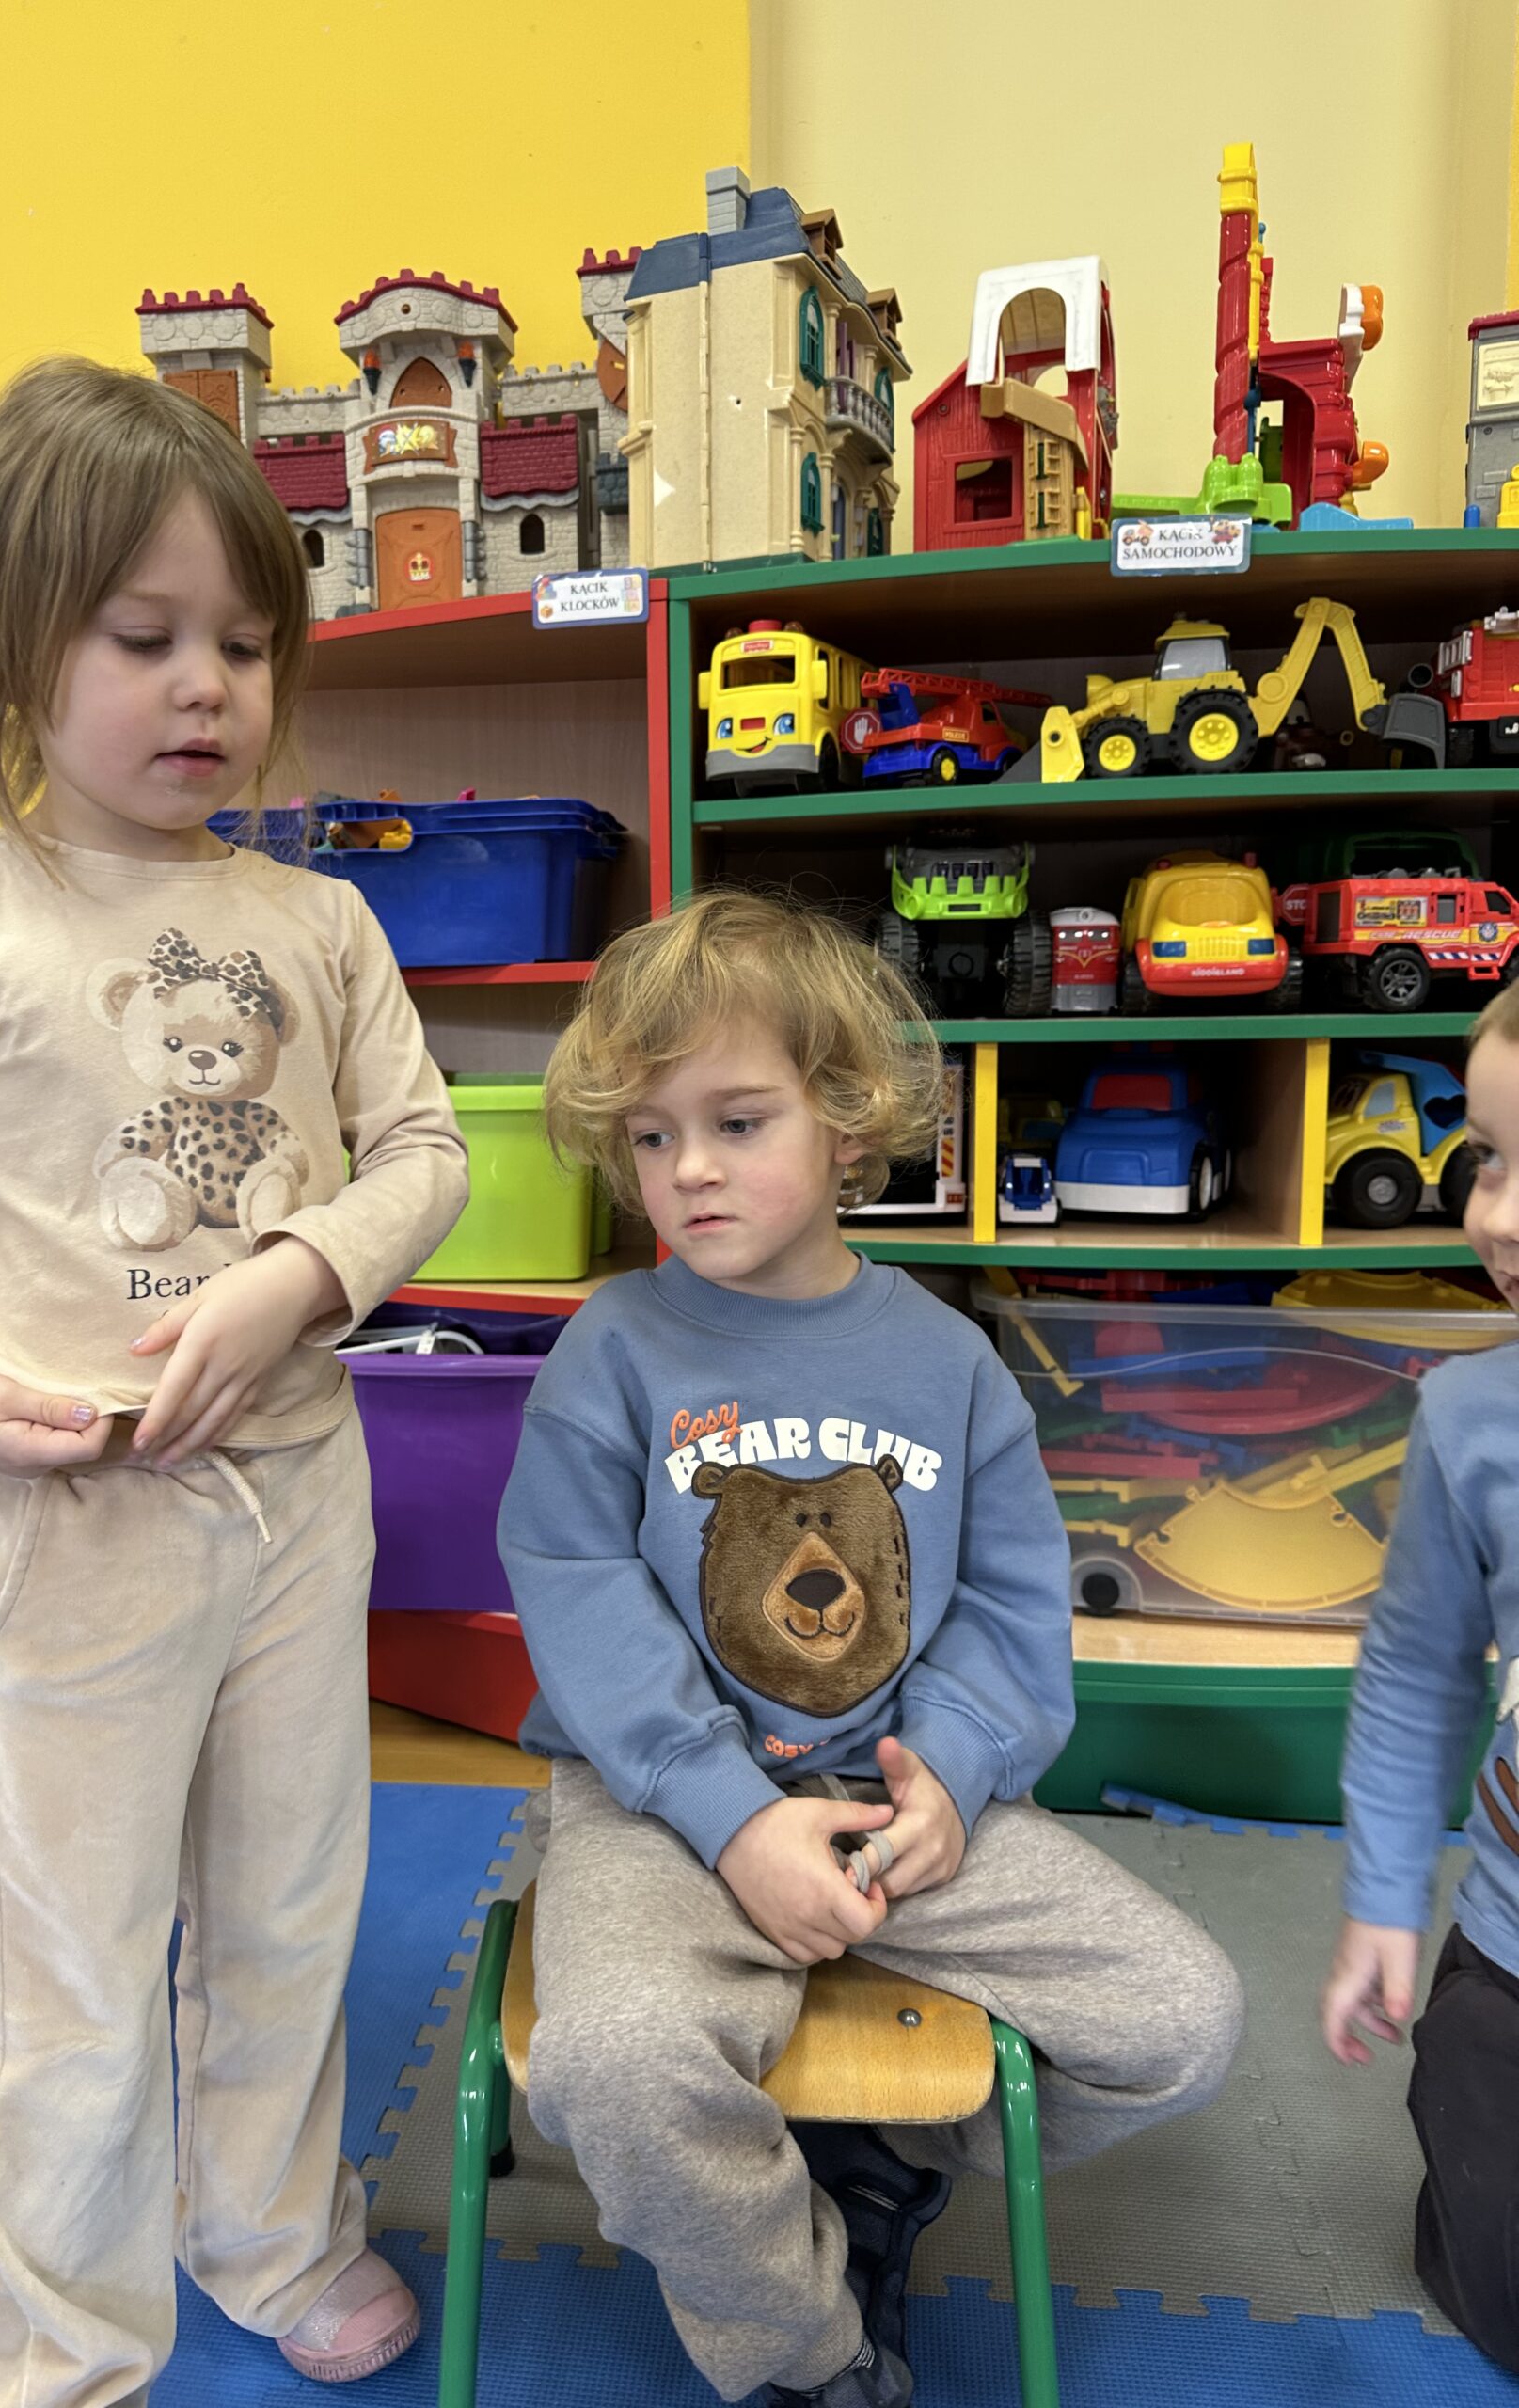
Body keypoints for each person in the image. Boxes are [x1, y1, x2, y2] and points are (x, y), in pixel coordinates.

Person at [0, 358, 468, 2404]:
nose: (206, 689)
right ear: (17, 647)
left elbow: (425, 1152)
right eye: (143, 636)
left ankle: (267, 2229)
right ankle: (45, 2352)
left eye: (243, 646)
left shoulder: (318, 920)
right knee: (71, 1956)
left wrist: (301, 1276)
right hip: (68, 1522)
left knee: (287, 1903)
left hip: (296, 1493)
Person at [496, 890, 1245, 2408]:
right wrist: (732, 1815)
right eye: (651, 1135)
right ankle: (807, 2342)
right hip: (661, 1812)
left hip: (904, 1810)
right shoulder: (610, 1352)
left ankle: (876, 2163)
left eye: (736, 1121)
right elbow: (574, 1591)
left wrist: (952, 1778)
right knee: (617, 2066)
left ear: (845, 1121)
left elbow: (1015, 1607)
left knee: (1182, 2019)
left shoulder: (951, 1363)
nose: (687, 1170)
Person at [1323, 981, 1519, 2373]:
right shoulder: (1470, 1417)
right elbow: (1415, 1669)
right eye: (1491, 1158)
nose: (1499, 1215)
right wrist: (1386, 1897)